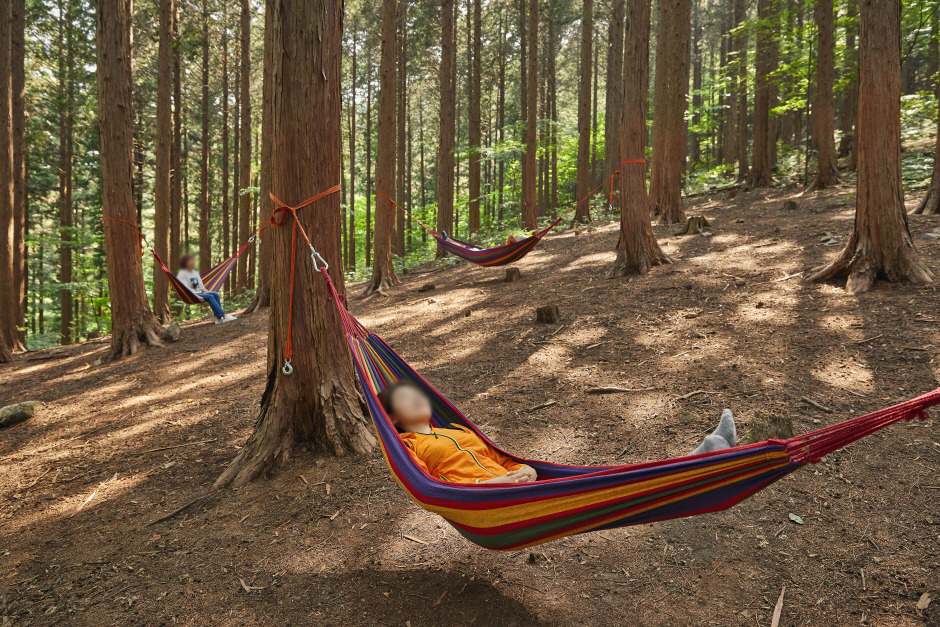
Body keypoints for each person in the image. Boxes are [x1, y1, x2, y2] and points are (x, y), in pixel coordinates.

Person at [378, 381, 737, 484]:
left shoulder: (456, 428)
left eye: (417, 393)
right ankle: (704, 459)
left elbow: (502, 458)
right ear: (392, 418)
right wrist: (493, 486)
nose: (416, 398)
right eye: (405, 399)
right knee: (607, 486)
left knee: (608, 479)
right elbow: (433, 485)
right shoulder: (408, 445)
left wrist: (527, 471)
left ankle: (703, 457)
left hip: (524, 486)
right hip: (487, 501)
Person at [176, 255, 237, 324]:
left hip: (199, 293)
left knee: (215, 294)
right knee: (210, 297)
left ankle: (220, 319)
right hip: (190, 295)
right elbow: (185, 290)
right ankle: (224, 316)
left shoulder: (195, 273)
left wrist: (209, 293)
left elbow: (202, 288)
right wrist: (197, 296)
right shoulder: (181, 274)